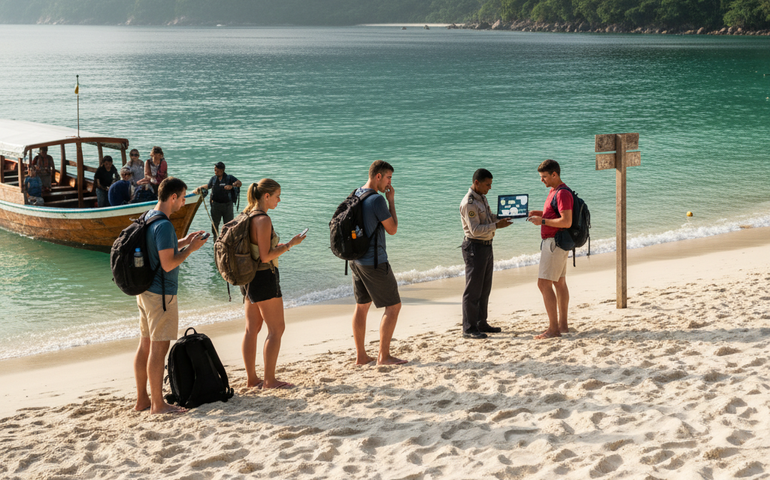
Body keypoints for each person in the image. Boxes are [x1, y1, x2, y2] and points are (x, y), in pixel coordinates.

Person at [133, 177, 208, 414]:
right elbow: (168, 263)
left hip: (144, 291)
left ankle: (143, 400)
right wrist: (191, 249)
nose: (184, 202)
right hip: (161, 295)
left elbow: (158, 248)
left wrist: (184, 241)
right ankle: (158, 404)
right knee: (159, 348)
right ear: (173, 197)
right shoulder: (164, 225)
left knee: (145, 345)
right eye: (183, 197)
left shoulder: (148, 216)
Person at [241, 179, 306, 389]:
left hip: (248, 278)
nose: (280, 199)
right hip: (263, 277)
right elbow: (266, 256)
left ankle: (252, 379)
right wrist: (290, 244)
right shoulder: (263, 220)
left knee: (252, 329)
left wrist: (275, 246)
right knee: (276, 329)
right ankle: (269, 380)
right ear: (266, 196)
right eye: (277, 195)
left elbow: (256, 249)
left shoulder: (247, 214)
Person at [349, 160, 406, 366]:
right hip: (374, 261)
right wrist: (391, 200)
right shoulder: (377, 200)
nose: (389, 182)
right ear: (378, 176)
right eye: (389, 177)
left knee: (362, 306)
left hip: (355, 260)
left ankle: (361, 356)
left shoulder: (356, 193)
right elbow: (392, 229)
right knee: (393, 306)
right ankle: (384, 356)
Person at [459, 168, 512, 339]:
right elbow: (474, 230)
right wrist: (497, 226)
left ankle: (481, 322)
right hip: (475, 247)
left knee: (484, 288)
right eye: (487, 185)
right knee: (473, 290)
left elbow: (488, 217)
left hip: (487, 246)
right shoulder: (469, 203)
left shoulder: (482, 197)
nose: (489, 188)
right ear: (477, 183)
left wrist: (502, 218)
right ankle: (469, 328)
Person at [527, 159, 572, 340]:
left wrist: (542, 221)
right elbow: (555, 214)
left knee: (543, 283)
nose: (541, 180)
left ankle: (554, 329)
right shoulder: (555, 191)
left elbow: (566, 221)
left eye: (544, 176)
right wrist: (539, 214)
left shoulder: (562, 193)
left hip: (554, 243)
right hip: (557, 244)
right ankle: (562, 325)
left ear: (555, 174)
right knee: (559, 283)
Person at [194, 162, 242, 237]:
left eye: (217, 170)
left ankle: (227, 238)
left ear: (222, 170)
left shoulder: (229, 178)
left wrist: (232, 186)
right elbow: (208, 186)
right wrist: (199, 188)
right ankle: (215, 238)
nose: (215, 171)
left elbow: (239, 183)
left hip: (227, 206)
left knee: (229, 224)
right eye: (214, 170)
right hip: (216, 206)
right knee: (215, 224)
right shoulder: (213, 178)